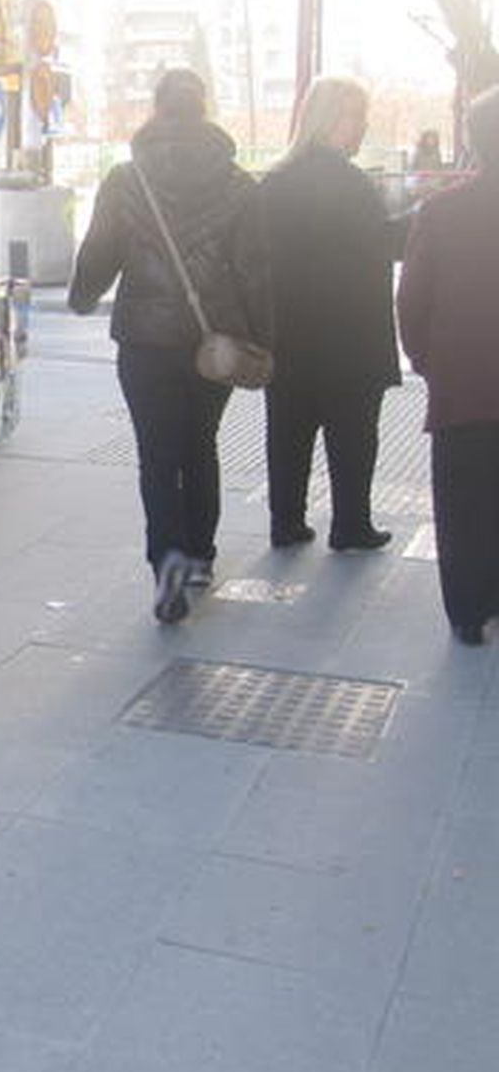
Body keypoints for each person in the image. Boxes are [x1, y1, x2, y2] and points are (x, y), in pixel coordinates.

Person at [70, 69, 269, 624]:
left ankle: (169, 559)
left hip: (145, 340)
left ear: (158, 110)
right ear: (204, 108)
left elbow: (99, 254)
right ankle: (201, 554)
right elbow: (256, 275)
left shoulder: (126, 180)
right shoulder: (239, 185)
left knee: (156, 455)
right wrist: (264, 344)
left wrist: (82, 297)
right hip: (215, 344)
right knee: (201, 443)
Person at [258, 77, 401, 553]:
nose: (362, 127)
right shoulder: (350, 183)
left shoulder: (274, 182)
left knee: (287, 431)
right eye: (356, 117)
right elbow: (380, 243)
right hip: (350, 336)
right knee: (353, 435)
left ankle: (286, 521)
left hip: (289, 333)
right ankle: (351, 525)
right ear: (333, 121)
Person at [395, 88, 499, 645]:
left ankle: (467, 610)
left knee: (462, 501)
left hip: (462, 382)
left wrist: (426, 359)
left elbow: (412, 299)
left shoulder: (441, 211)